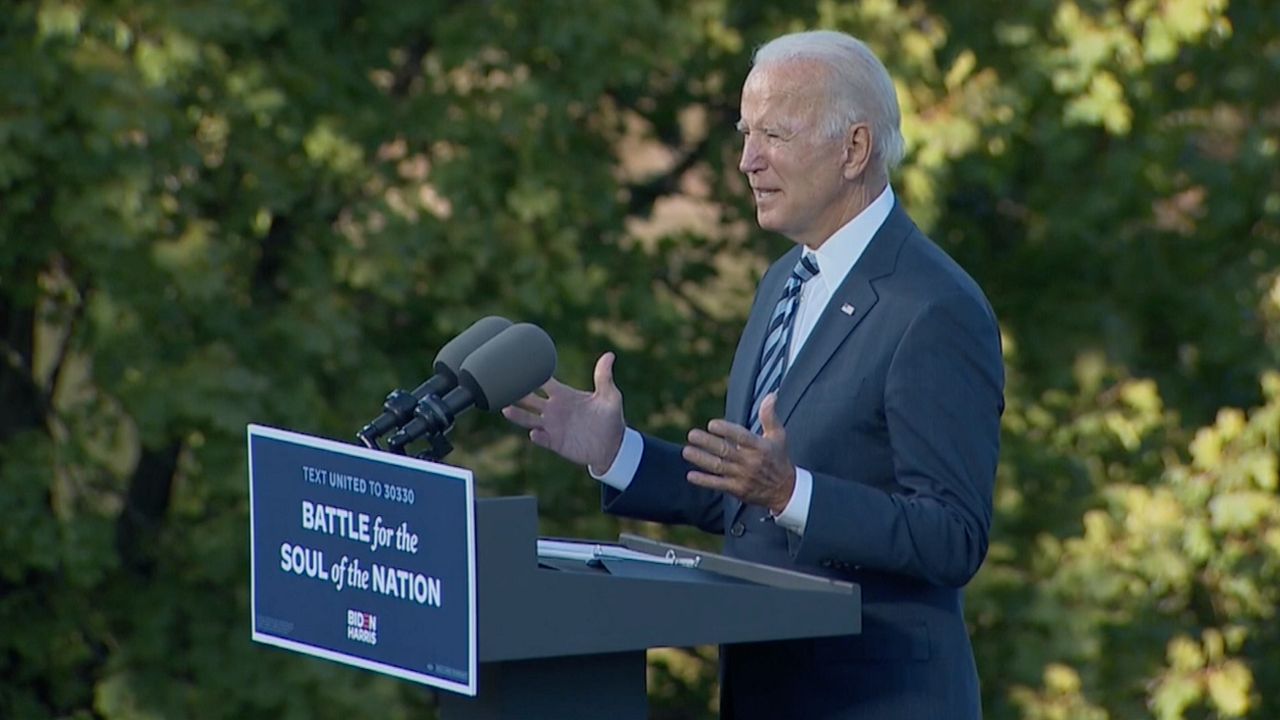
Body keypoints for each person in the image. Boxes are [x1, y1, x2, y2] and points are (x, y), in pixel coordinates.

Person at [503, 29, 1003, 720]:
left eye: (774, 134)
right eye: (745, 133)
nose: (747, 161)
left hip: (878, 700)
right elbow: (746, 496)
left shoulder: (935, 308)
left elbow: (954, 537)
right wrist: (617, 454)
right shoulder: (783, 282)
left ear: (854, 149)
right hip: (764, 691)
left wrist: (792, 491)